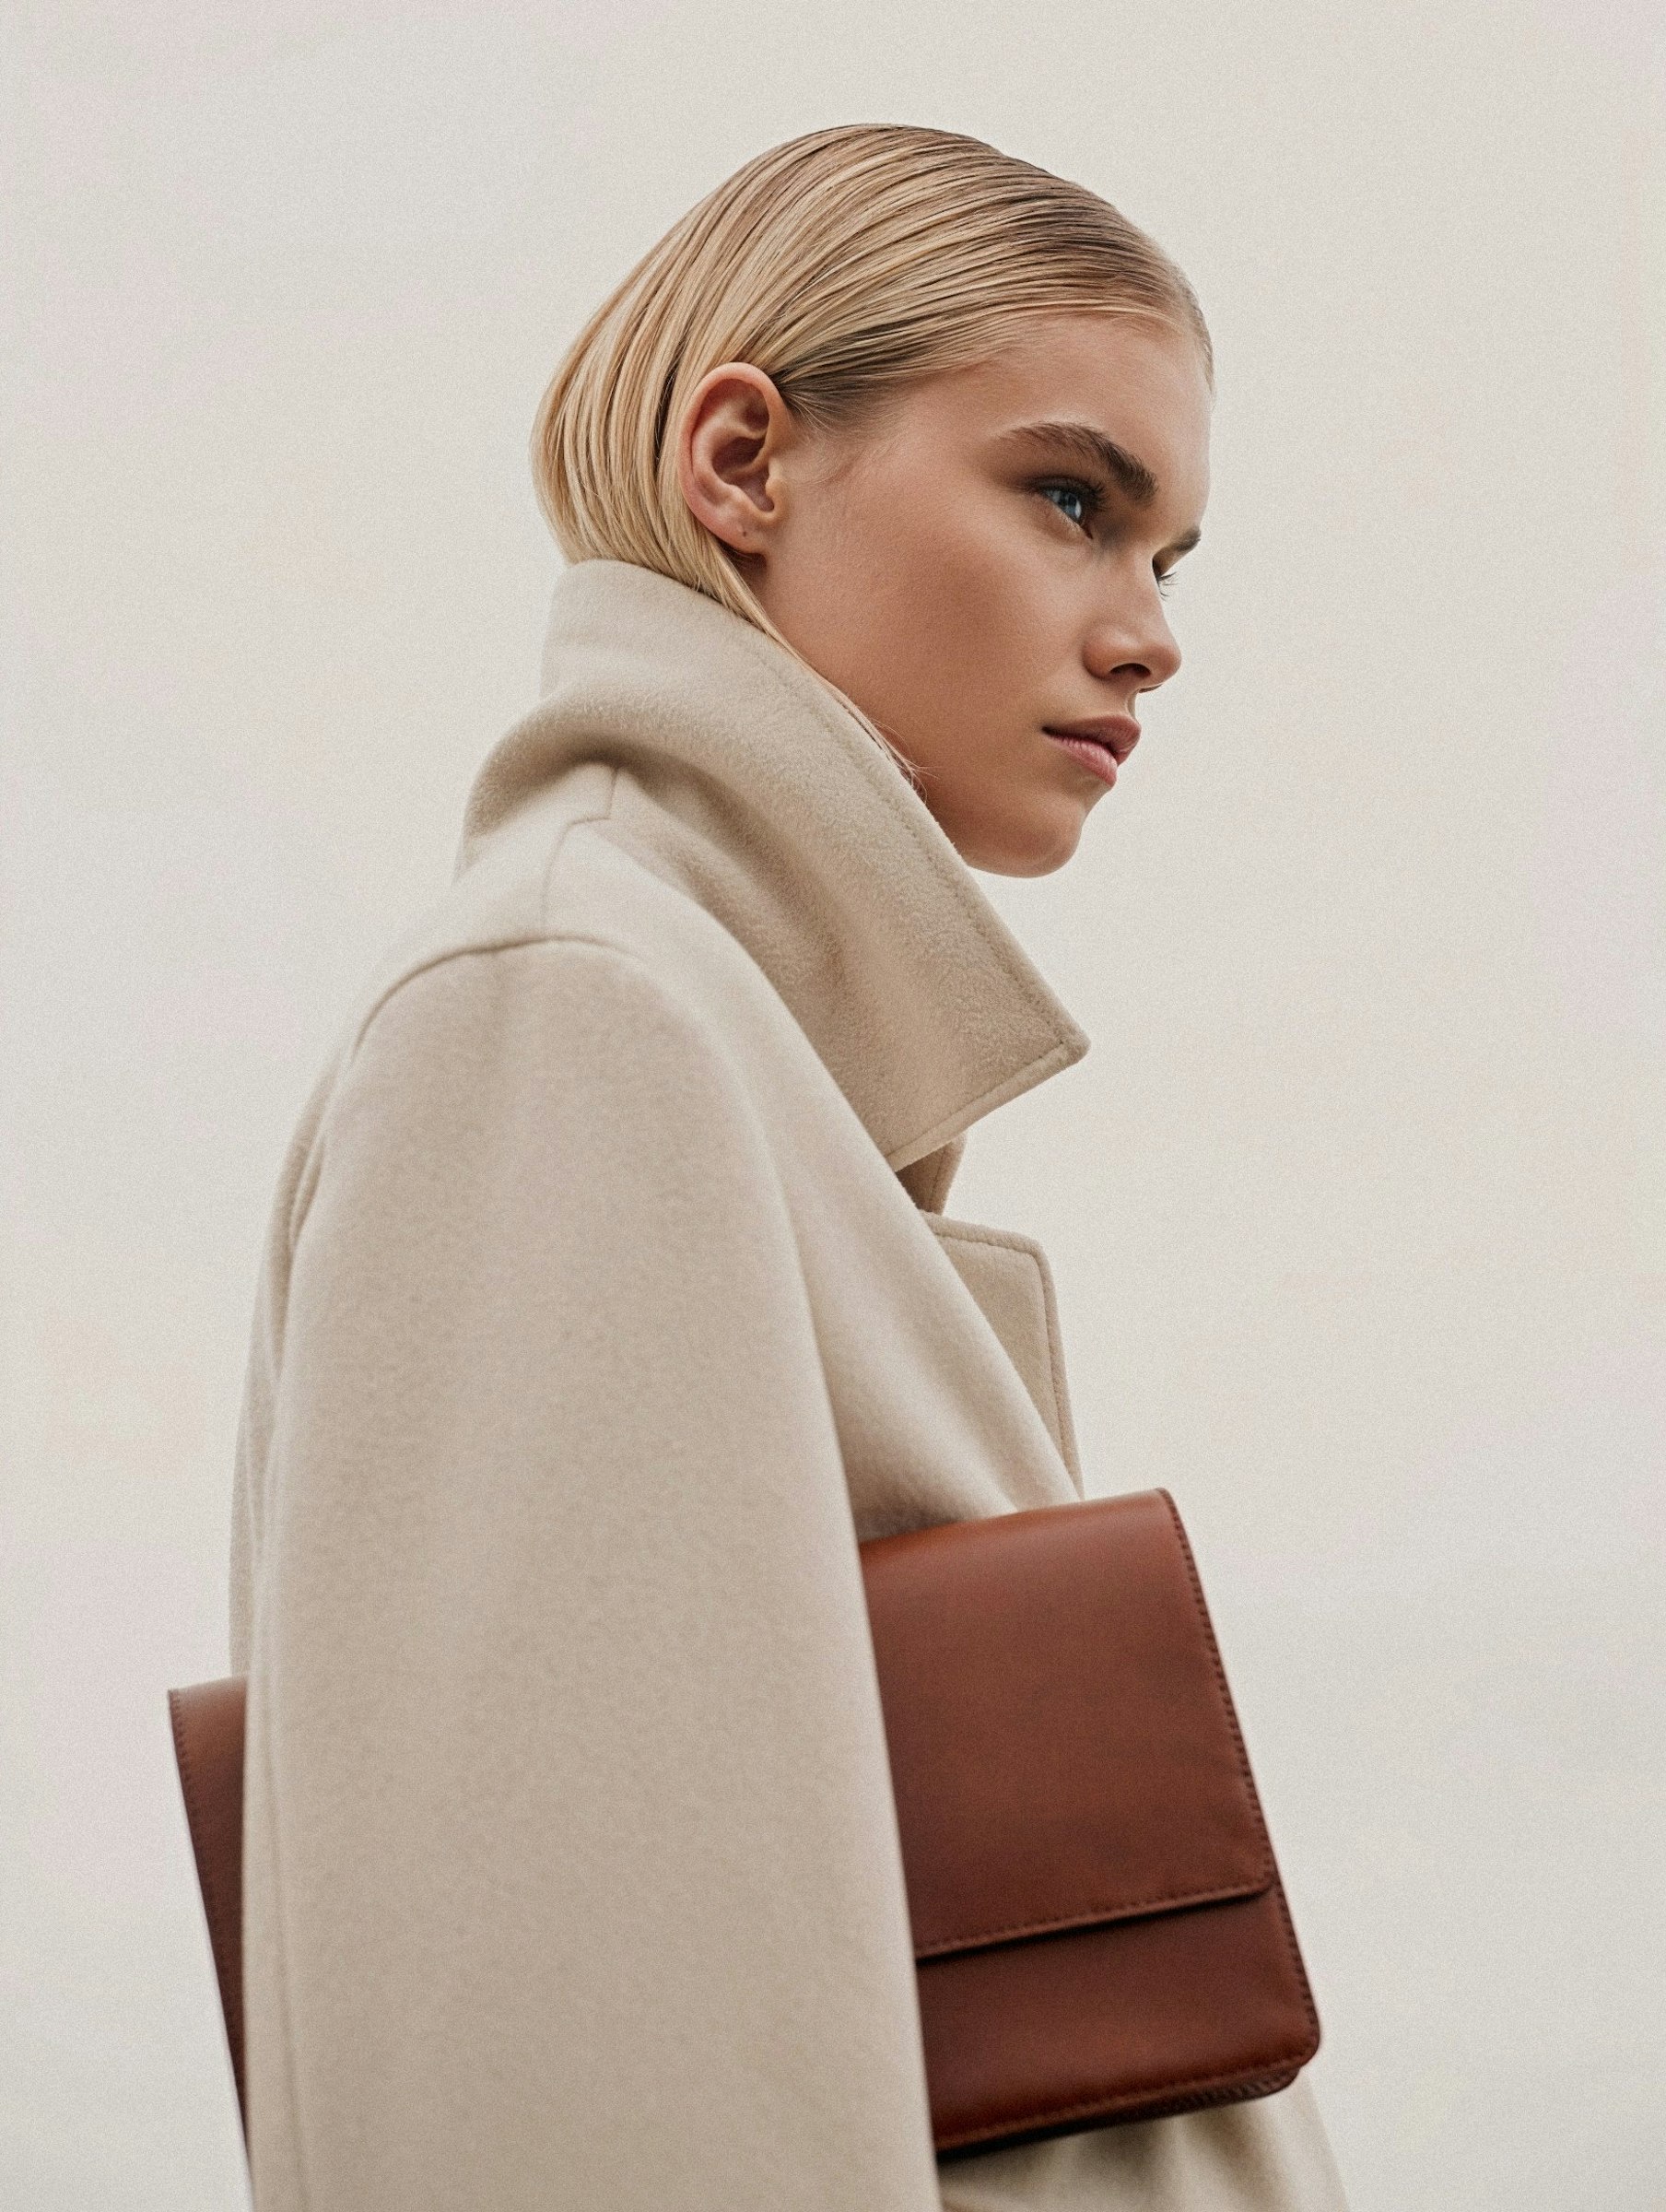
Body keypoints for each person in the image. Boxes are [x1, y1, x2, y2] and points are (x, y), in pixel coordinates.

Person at [229, 122, 1350, 2210]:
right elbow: (569, 2067)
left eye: (1167, 555)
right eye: (1073, 500)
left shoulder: (710, 1042)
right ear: (741, 462)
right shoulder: (566, 1011)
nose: (1147, 634)